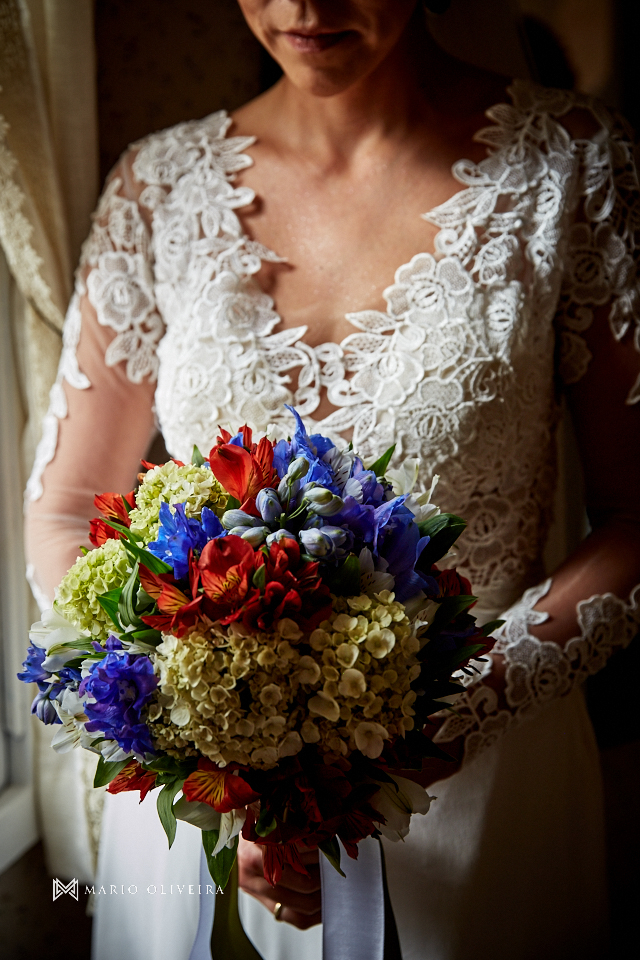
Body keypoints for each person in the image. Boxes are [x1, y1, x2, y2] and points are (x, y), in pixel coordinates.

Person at [24, 1, 640, 959]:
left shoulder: (573, 165)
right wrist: (198, 739)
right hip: (217, 804)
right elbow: (67, 507)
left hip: (478, 779)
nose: (304, 8)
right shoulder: (158, 187)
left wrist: (452, 717)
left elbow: (638, 512)